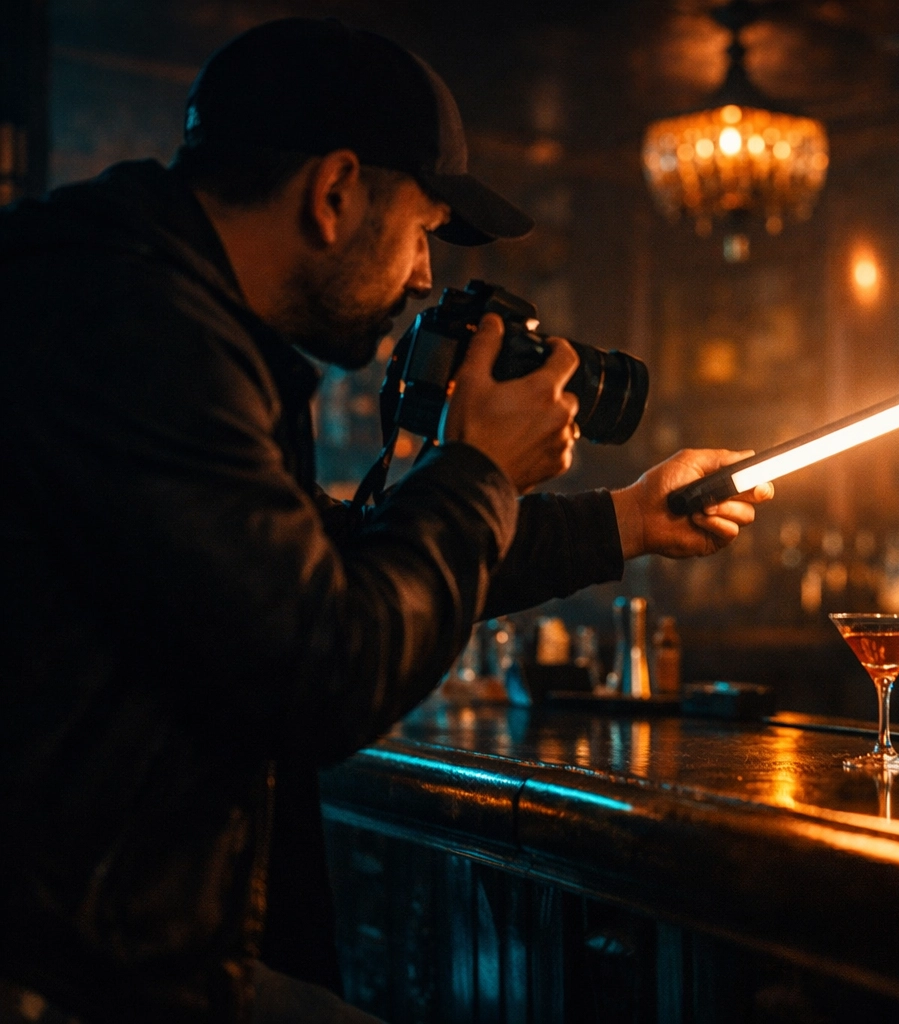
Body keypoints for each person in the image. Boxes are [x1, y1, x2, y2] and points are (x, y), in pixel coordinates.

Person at [0, 19, 769, 1024]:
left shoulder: (125, 289)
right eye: (421, 231)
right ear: (335, 193)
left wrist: (625, 519)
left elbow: (315, 557)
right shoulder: (138, 329)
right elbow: (325, 669)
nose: (420, 280)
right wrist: (483, 467)